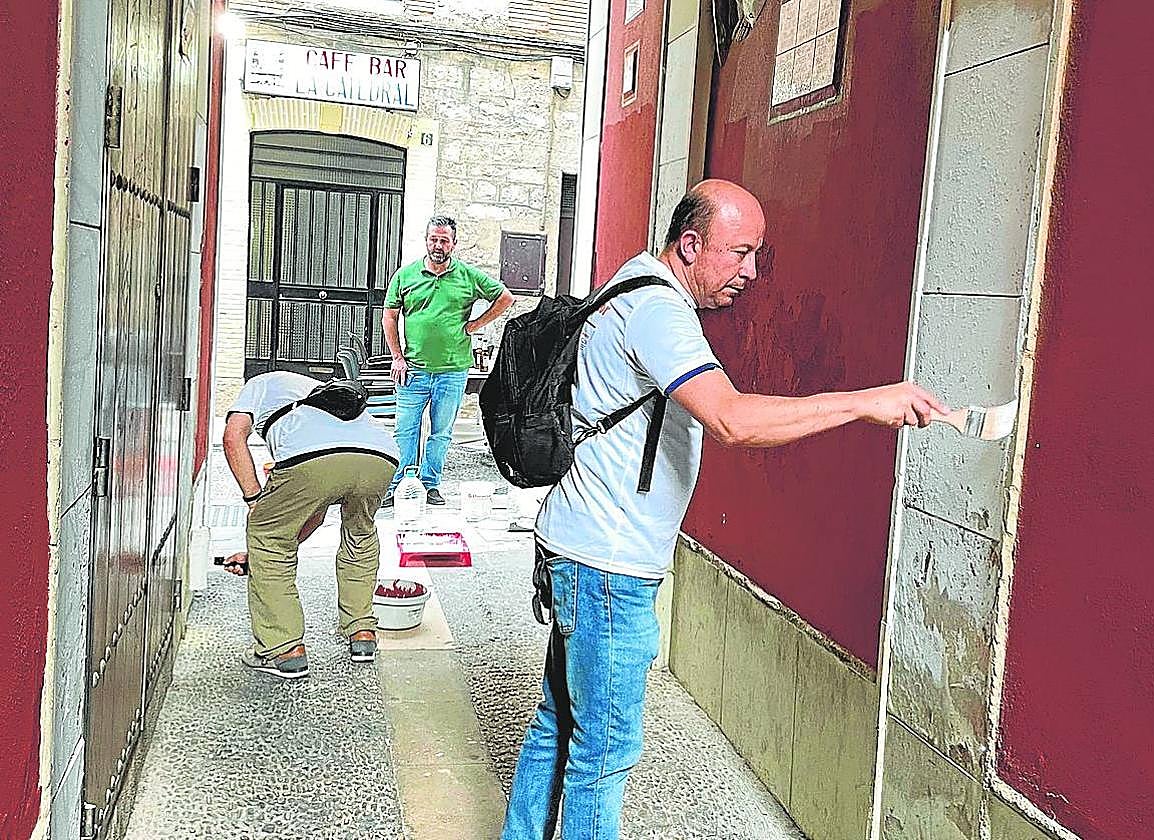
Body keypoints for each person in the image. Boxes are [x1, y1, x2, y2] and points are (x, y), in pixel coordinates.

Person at [500, 180, 948, 840]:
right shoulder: (658, 311)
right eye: (739, 253)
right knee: (603, 752)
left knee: (560, 725)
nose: (751, 272)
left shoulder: (631, 281)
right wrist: (864, 401)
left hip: (580, 546)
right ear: (690, 244)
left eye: (758, 254)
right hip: (606, 569)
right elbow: (732, 420)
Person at [223, 371, 401, 680]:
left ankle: (283, 650)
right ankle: (362, 634)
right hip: (381, 456)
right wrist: (258, 558)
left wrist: (256, 503)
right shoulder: (315, 391)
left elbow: (232, 437)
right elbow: (312, 516)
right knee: (360, 534)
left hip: (310, 456)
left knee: (267, 534)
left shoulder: (259, 383)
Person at [382, 215, 515, 505]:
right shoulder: (405, 276)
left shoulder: (468, 276)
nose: (438, 245)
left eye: (444, 240)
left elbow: (505, 297)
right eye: (434, 238)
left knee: (441, 433)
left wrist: (476, 324)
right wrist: (397, 357)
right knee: (405, 430)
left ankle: (430, 485)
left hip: (452, 371)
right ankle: (400, 486)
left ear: (453, 243)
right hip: (412, 370)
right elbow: (389, 316)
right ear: (426, 239)